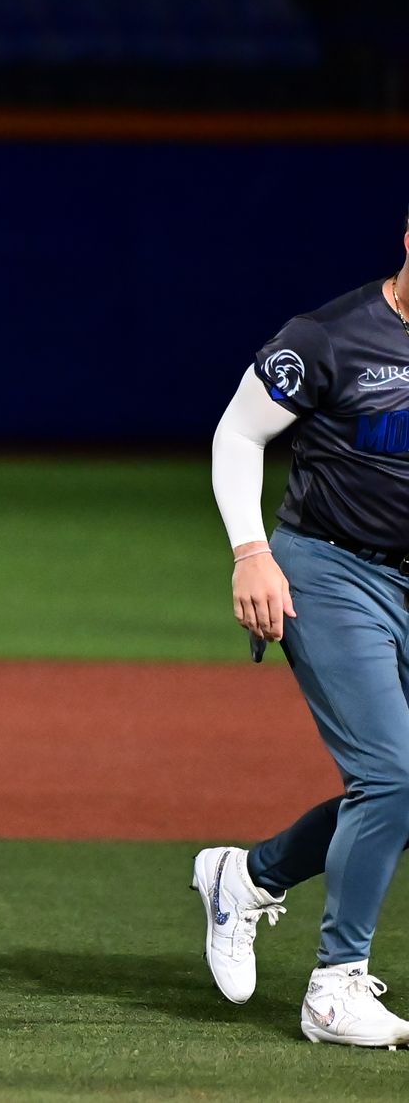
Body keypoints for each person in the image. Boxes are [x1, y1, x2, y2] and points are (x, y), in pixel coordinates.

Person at [200, 227, 409, 1047]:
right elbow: (238, 434)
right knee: (392, 774)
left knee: (401, 787)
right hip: (330, 571)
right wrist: (252, 553)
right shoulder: (330, 338)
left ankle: (246, 877)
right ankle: (335, 987)